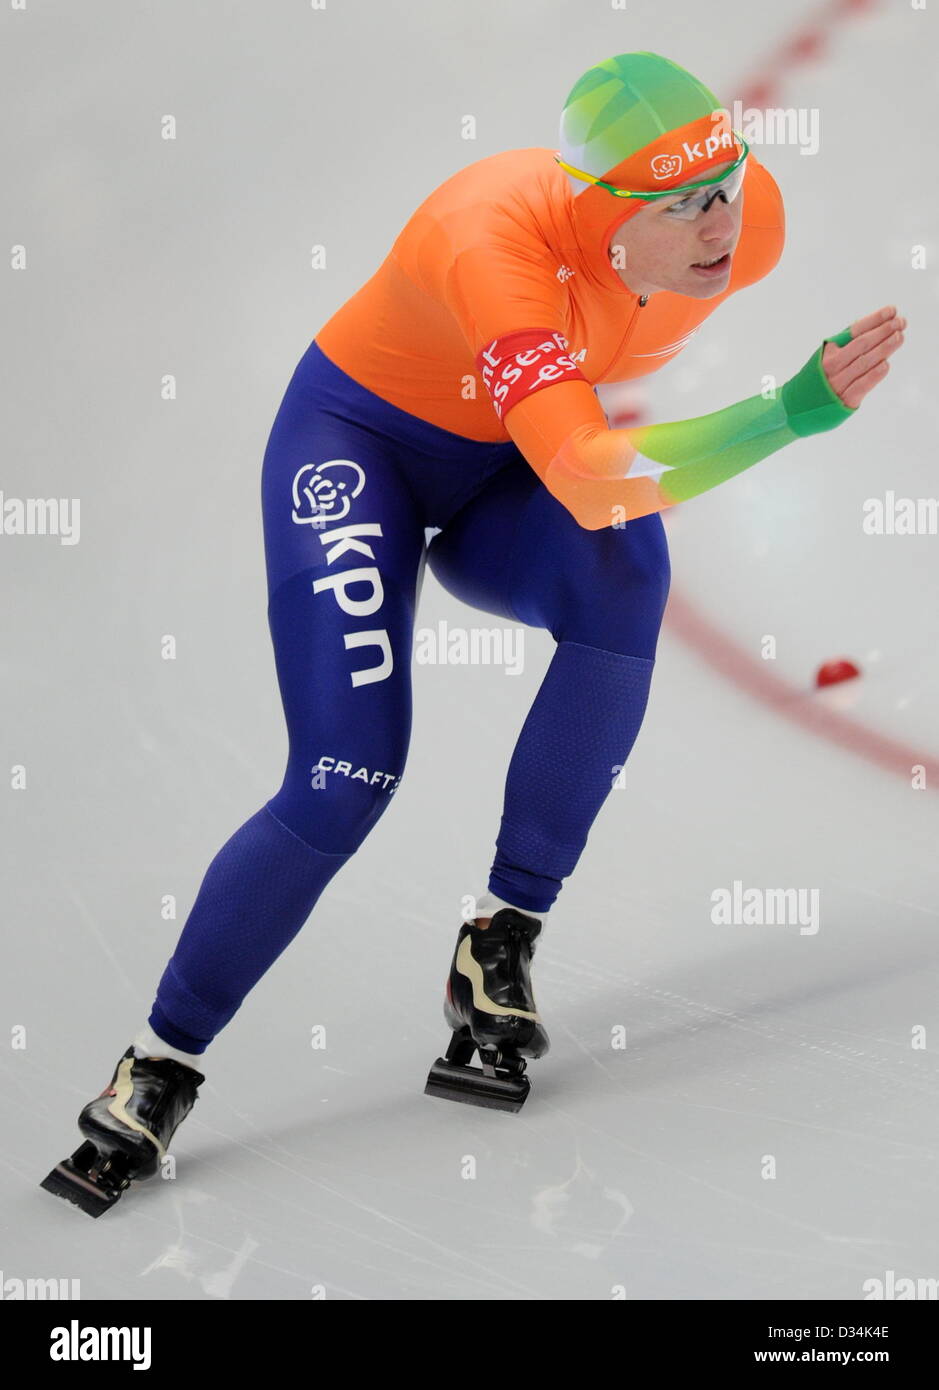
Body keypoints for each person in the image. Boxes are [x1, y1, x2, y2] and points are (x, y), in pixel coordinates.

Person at [43, 52, 905, 1207]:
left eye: (730, 186)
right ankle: (160, 1061)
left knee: (624, 578)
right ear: (602, 215)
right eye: (684, 205)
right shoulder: (492, 241)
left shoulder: (750, 231)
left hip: (508, 472)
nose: (722, 224)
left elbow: (582, 473)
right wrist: (787, 413)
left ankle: (501, 936)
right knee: (348, 772)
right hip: (360, 453)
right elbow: (597, 477)